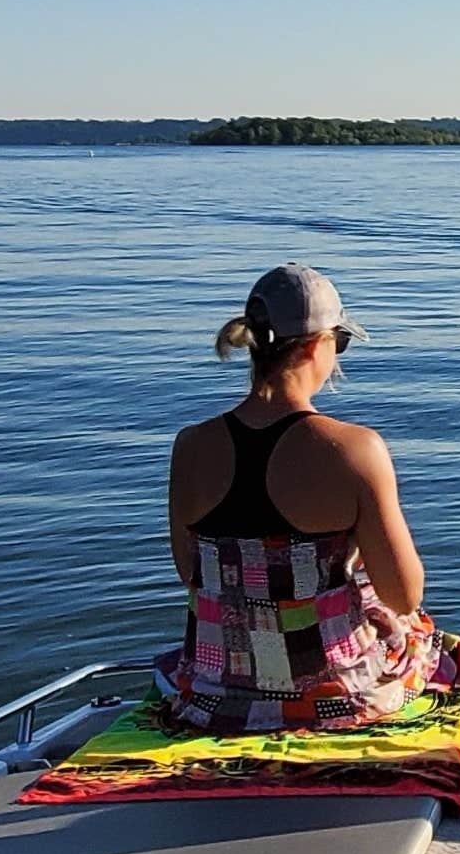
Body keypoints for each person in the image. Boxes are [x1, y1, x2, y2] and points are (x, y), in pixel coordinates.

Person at [159, 263, 444, 733]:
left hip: (216, 695)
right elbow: (405, 594)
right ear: (316, 345)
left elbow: (191, 571)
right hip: (333, 697)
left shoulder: (190, 446)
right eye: (340, 342)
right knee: (416, 632)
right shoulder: (354, 449)